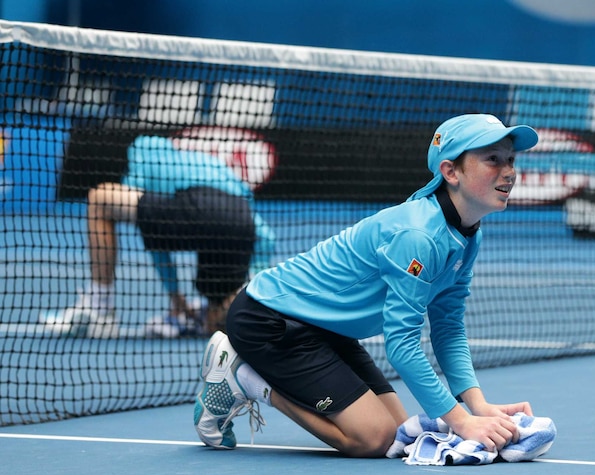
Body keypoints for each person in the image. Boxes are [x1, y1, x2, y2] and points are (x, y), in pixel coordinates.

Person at [193, 113, 539, 457]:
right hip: (269, 320)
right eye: (493, 159)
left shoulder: (467, 235)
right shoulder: (418, 236)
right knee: (372, 439)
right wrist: (461, 422)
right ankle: (246, 377)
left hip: (327, 329)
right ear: (451, 172)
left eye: (510, 159)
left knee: (396, 434)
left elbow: (447, 327)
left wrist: (477, 406)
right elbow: (401, 343)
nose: (509, 171)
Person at [40, 135, 276, 338]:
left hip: (200, 208)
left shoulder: (144, 150)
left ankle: (99, 310)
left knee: (101, 200)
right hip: (239, 221)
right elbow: (265, 236)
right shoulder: (211, 166)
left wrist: (174, 294)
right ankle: (229, 311)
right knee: (217, 312)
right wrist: (255, 282)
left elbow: (152, 230)